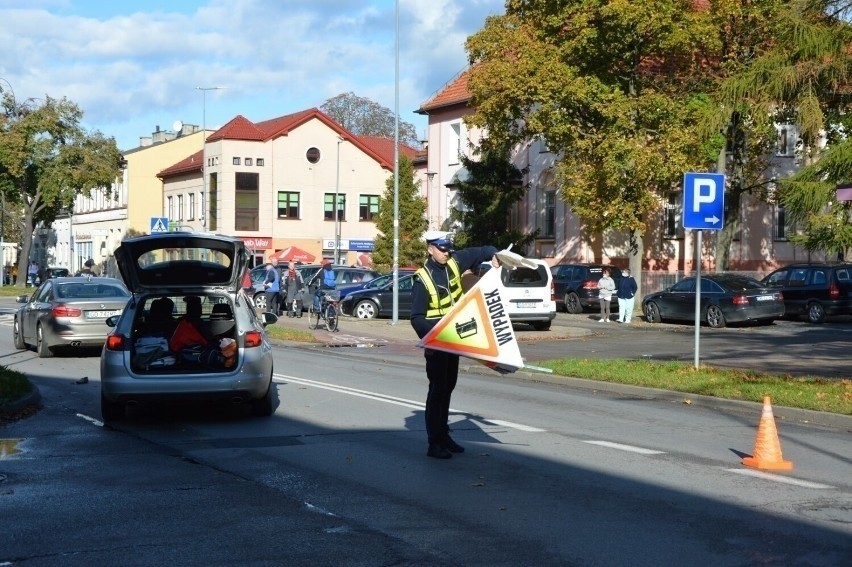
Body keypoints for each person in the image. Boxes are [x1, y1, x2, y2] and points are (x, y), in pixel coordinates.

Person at [410, 231, 499, 459]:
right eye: (442, 248)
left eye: (448, 248)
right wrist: (431, 337)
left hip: (455, 340)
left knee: (448, 387)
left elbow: (481, 251)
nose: (447, 252)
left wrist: (495, 255)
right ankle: (434, 443)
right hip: (438, 343)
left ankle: (444, 435)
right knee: (437, 390)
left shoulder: (453, 262)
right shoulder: (423, 279)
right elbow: (417, 318)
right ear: (430, 249)